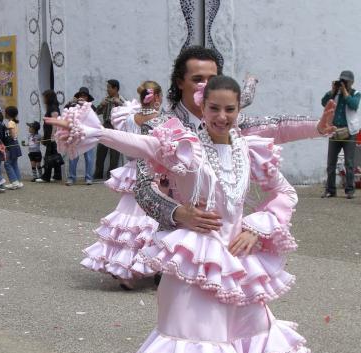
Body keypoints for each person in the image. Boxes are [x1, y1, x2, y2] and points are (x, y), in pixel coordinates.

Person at [46, 75, 345, 353]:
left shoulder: (248, 146)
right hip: (193, 263)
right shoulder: (181, 144)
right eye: (214, 109)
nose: (222, 116)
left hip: (240, 265)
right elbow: (141, 146)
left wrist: (257, 225)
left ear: (239, 111)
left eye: (230, 109)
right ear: (201, 109)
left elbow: (284, 193)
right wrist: (95, 132)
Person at [134, 46, 336, 231]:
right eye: (197, 79)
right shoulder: (159, 127)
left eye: (211, 79)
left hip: (227, 232)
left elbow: (276, 126)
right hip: (178, 237)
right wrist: (178, 213)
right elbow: (143, 186)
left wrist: (317, 127)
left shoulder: (229, 122)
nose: (204, 85)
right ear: (179, 82)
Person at [81, 81, 162, 290]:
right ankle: (154, 267)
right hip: (153, 170)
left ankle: (126, 270)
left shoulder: (128, 118)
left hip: (132, 170)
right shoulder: (161, 120)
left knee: (128, 221)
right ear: (158, 98)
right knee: (152, 220)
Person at [321, 70, 360, 199]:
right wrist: (333, 91)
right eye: (341, 80)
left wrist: (344, 91)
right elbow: (324, 102)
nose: (343, 83)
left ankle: (349, 191)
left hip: (349, 132)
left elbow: (353, 105)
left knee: (349, 163)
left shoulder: (356, 94)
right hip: (334, 131)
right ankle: (330, 190)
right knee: (331, 163)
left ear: (352, 82)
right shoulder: (335, 94)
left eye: (346, 81)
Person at [93, 79, 125, 182]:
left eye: (109, 87)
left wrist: (119, 103)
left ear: (115, 88)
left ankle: (111, 176)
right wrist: (101, 104)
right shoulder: (106, 99)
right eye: (107, 87)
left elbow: (128, 111)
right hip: (106, 126)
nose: (107, 89)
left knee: (114, 154)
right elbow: (96, 112)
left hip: (116, 128)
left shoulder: (122, 99)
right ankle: (98, 174)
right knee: (100, 152)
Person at [65, 87, 96, 185]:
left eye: (84, 96)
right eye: (81, 95)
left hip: (88, 135)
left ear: (87, 98)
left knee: (89, 158)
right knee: (73, 157)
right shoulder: (72, 105)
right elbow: (65, 110)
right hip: (75, 135)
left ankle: (88, 178)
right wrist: (71, 102)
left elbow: (95, 116)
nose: (82, 97)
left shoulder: (91, 106)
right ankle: (71, 178)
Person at [39, 89, 63, 183]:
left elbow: (55, 123)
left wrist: (53, 136)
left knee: (48, 156)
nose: (43, 99)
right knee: (55, 156)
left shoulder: (53, 108)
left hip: (53, 137)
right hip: (50, 136)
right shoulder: (51, 107)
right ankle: (57, 175)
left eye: (45, 97)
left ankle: (46, 176)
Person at [3, 106, 23, 190]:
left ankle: (14, 182)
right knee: (14, 163)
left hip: (12, 145)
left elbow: (12, 134)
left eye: (5, 112)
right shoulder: (13, 122)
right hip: (15, 144)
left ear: (8, 114)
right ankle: (18, 181)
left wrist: (11, 135)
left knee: (7, 163)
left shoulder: (10, 123)